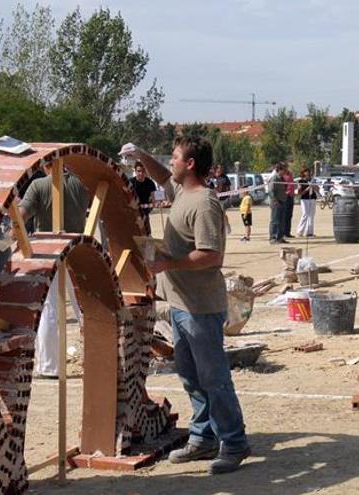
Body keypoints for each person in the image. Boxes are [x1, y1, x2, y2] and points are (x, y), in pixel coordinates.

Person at [121, 137, 251, 475]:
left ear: (191, 164)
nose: (172, 162)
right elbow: (162, 175)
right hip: (181, 304)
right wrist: (140, 152)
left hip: (201, 307)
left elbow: (211, 255)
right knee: (191, 376)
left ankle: (234, 443)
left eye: (176, 157)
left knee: (214, 378)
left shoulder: (204, 203)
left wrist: (168, 264)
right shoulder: (181, 193)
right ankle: (203, 436)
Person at [18, 159, 88, 379]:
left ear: (44, 166)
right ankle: (97, 358)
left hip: (49, 252)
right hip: (79, 249)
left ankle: (49, 366)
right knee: (84, 307)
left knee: (49, 308)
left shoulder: (39, 186)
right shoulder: (80, 183)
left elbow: (22, 216)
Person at [131, 162, 157, 235]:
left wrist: (147, 209)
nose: (141, 173)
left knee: (147, 234)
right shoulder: (131, 182)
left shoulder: (150, 183)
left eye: (143, 171)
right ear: (135, 171)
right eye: (139, 171)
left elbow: (154, 201)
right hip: (132, 213)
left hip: (145, 213)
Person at [267, 162, 288, 244]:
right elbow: (270, 191)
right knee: (275, 221)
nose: (285, 171)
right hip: (276, 202)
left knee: (281, 221)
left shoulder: (281, 178)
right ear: (279, 169)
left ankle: (280, 237)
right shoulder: (274, 178)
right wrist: (274, 200)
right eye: (284, 169)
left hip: (282, 201)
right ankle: (273, 238)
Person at [296, 168, 318, 237]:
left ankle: (309, 232)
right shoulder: (301, 181)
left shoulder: (312, 180)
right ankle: (300, 231)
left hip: (312, 198)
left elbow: (317, 189)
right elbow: (300, 192)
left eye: (309, 172)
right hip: (305, 199)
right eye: (306, 172)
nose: (308, 173)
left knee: (311, 215)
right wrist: (308, 188)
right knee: (305, 214)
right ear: (303, 173)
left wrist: (314, 186)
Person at [281, 165, 295, 238]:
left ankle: (287, 232)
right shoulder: (282, 175)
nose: (287, 168)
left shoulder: (290, 174)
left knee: (289, 215)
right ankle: (283, 232)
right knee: (284, 216)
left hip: (291, 196)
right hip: (285, 196)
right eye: (285, 167)